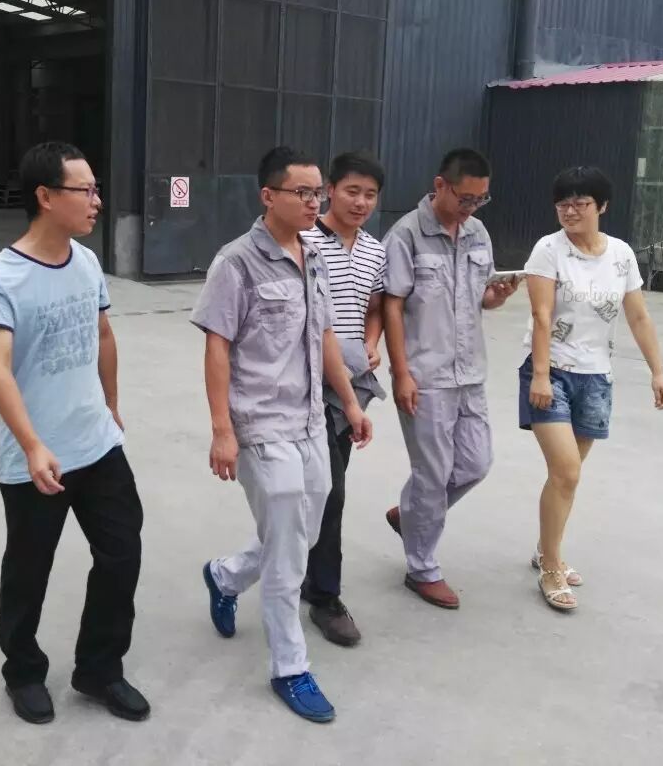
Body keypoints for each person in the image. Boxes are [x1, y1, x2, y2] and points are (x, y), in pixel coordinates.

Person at [192, 146, 373, 724]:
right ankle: (289, 667)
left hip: (312, 418)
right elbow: (217, 347)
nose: (314, 202)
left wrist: (350, 402)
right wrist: (222, 430)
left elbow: (324, 335)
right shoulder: (236, 263)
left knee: (304, 529)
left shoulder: (312, 253)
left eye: (317, 192)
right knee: (290, 554)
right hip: (261, 424)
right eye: (302, 192)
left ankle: (225, 576)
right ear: (268, 196)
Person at [0, 141, 149, 725]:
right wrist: (31, 444)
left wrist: (112, 405)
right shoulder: (2, 280)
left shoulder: (87, 262)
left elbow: (103, 335)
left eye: (98, 189)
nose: (97, 201)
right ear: (46, 197)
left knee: (122, 551)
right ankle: (22, 671)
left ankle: (99, 668)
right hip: (35, 459)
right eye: (86, 190)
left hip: (96, 443)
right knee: (29, 569)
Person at [520, 166, 663, 611]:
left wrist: (658, 371)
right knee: (567, 471)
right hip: (551, 371)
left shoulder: (620, 254)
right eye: (563, 204)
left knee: (565, 477)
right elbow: (542, 315)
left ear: (601, 206)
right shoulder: (548, 250)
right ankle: (551, 568)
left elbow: (638, 316)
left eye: (580, 204)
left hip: (596, 375)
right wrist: (541, 375)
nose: (570, 211)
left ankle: (545, 548)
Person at [381, 148, 517, 609]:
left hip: (470, 371)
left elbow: (480, 298)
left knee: (476, 463)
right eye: (465, 198)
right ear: (440, 185)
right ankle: (421, 568)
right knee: (433, 473)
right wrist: (401, 373)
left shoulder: (477, 232)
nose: (471, 207)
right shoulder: (406, 235)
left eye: (481, 199)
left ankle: (413, 513)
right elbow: (392, 306)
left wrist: (497, 297)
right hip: (427, 375)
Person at [297, 151, 389, 647]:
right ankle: (324, 596)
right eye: (352, 191)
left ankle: (306, 576)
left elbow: (374, 306)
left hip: (350, 386)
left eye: (370, 195)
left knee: (323, 489)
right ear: (330, 189)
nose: (361, 202)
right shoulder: (304, 239)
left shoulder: (375, 250)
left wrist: (372, 343)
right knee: (325, 490)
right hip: (303, 382)